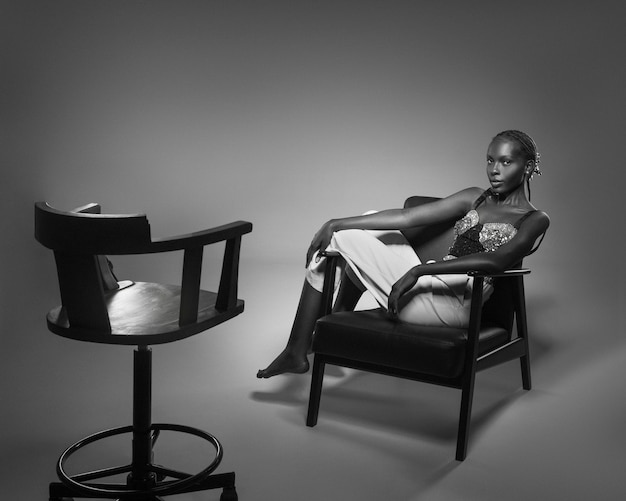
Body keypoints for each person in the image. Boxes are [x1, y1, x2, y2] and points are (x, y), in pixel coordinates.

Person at [257, 130, 550, 379]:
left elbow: (497, 260)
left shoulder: (534, 219)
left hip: (458, 307)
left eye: (506, 162)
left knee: (342, 240)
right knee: (360, 224)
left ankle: (298, 348)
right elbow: (408, 217)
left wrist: (419, 270)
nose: (494, 169)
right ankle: (313, 337)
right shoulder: (477, 196)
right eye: (490, 160)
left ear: (527, 167)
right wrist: (336, 222)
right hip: (430, 288)